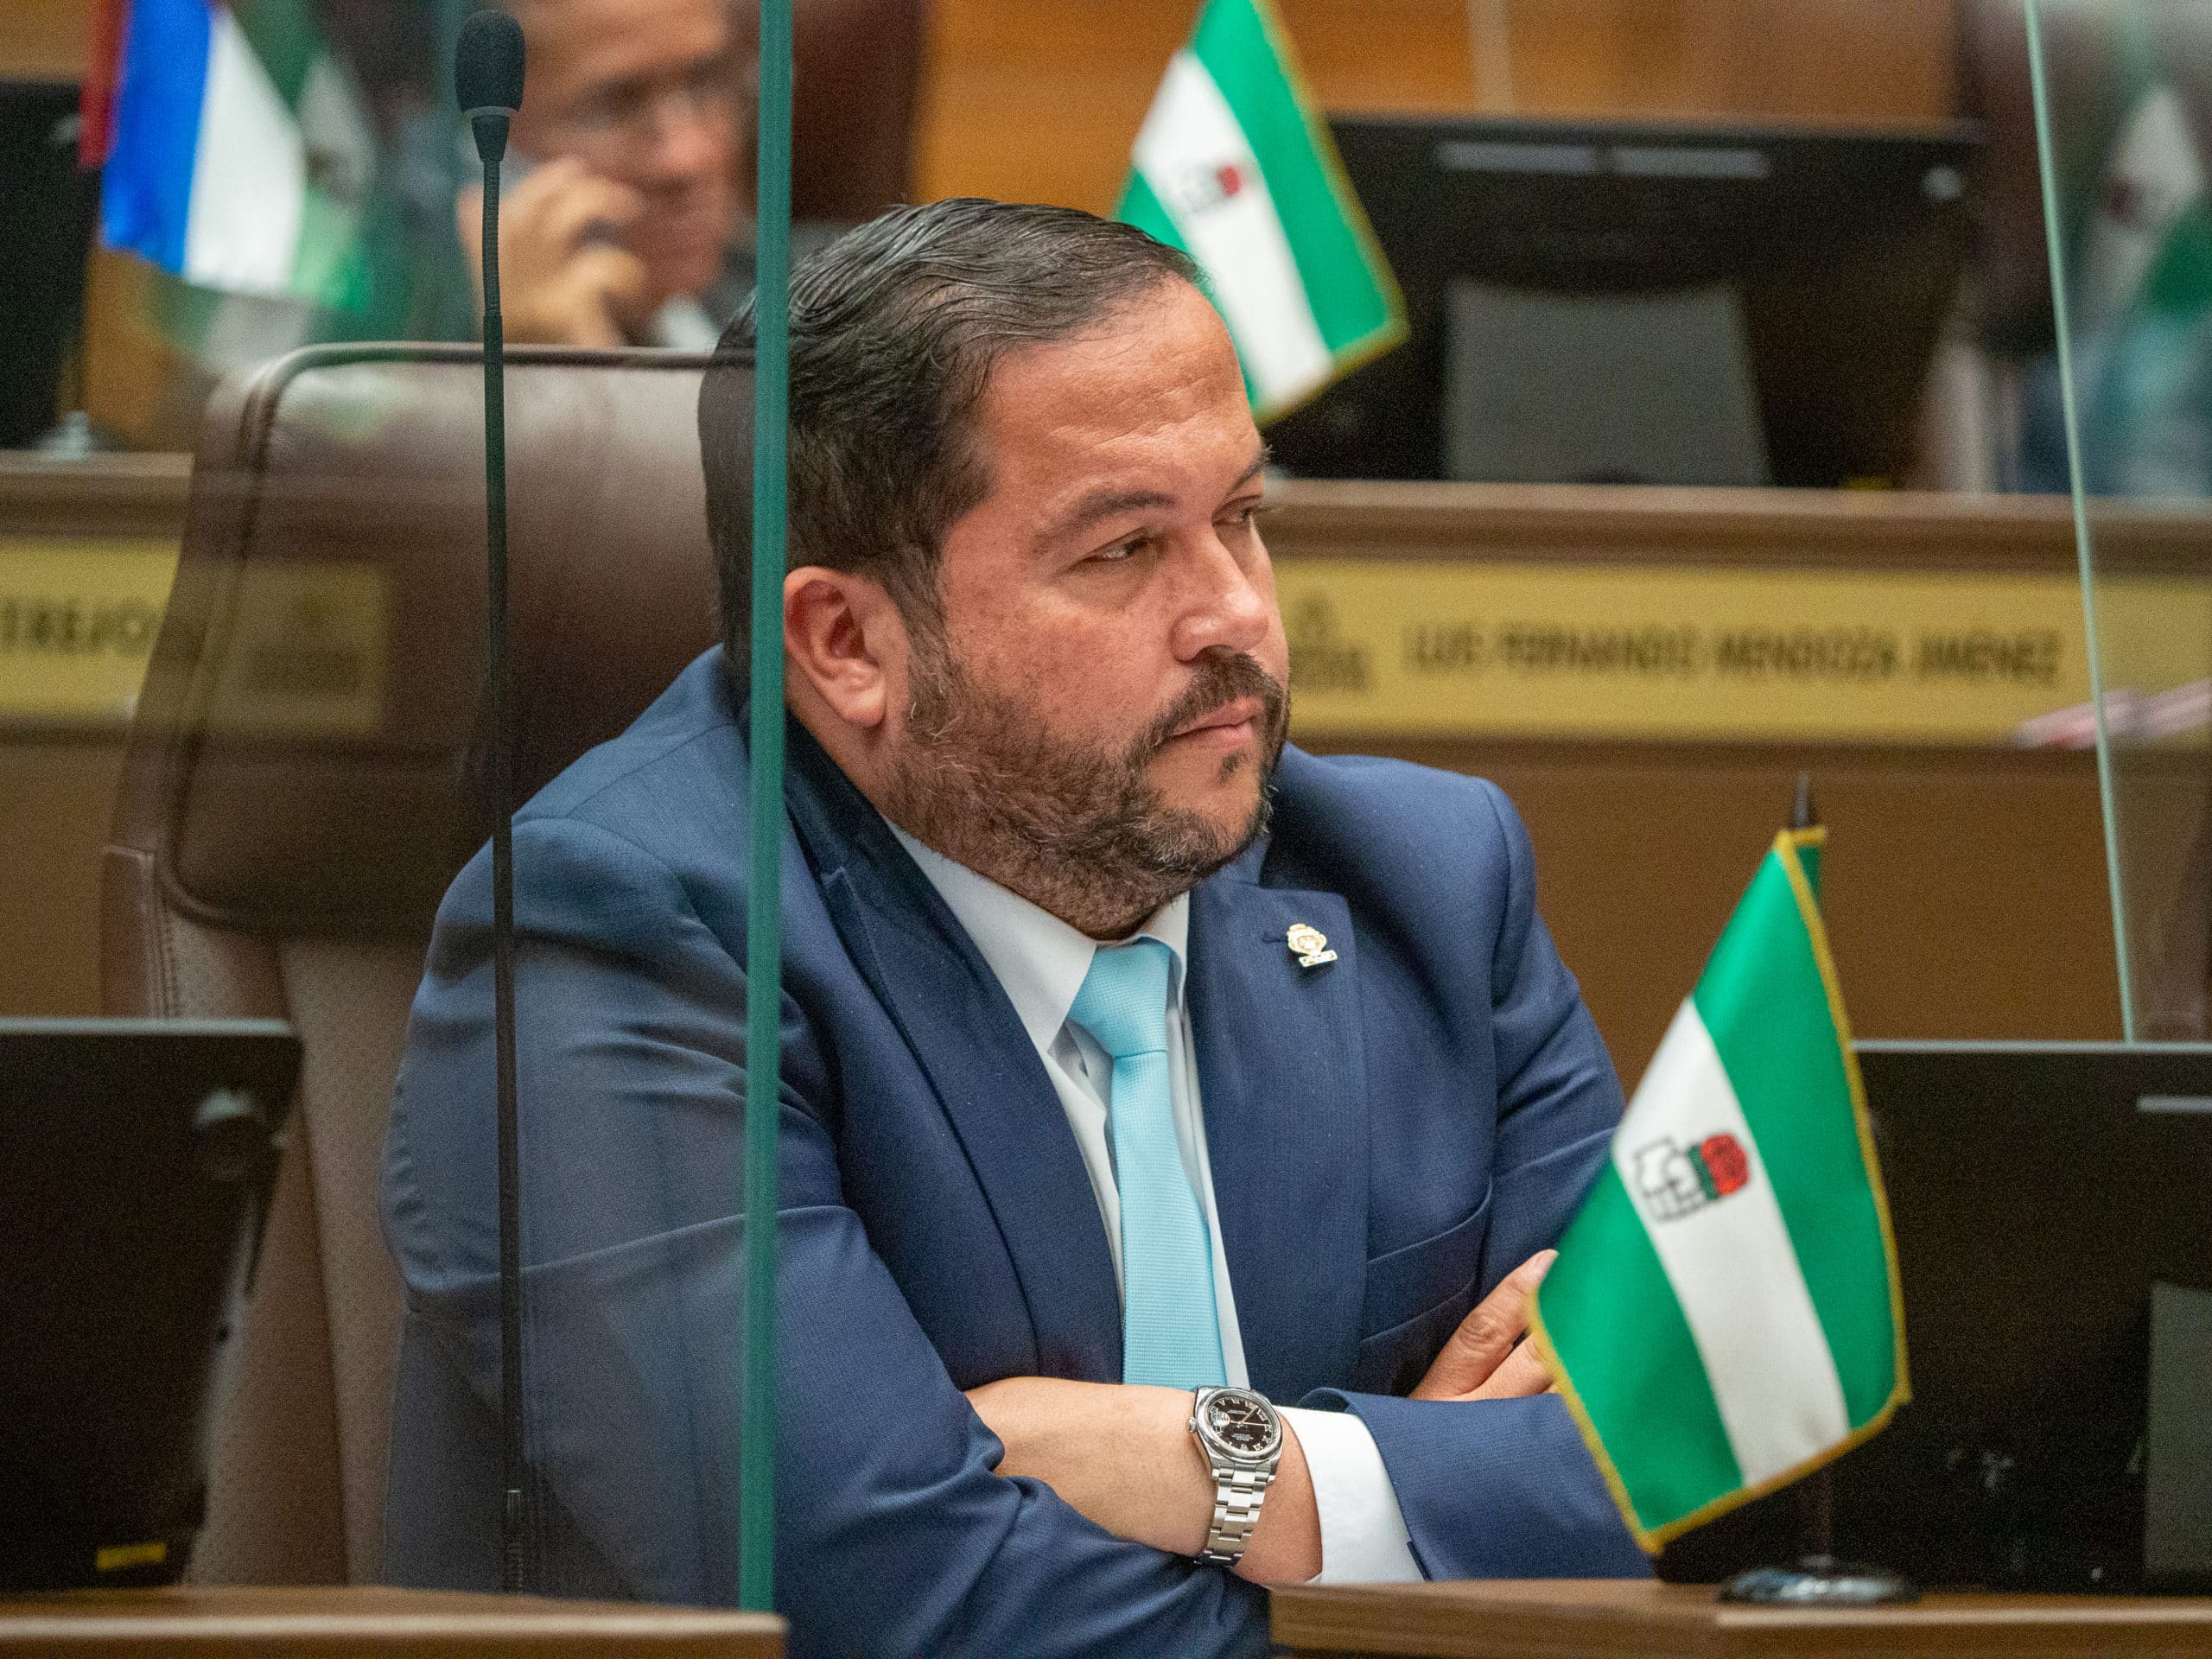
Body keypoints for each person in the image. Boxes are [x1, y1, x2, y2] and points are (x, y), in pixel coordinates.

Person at [380, 198, 1645, 1656]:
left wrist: (1230, 1471)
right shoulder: (618, 944)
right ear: (848, 644)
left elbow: (1696, 1471)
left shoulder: (1426, 883)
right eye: (1125, 550)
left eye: (1242, 517)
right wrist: (1423, 1517)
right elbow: (915, 1603)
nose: (1235, 614)